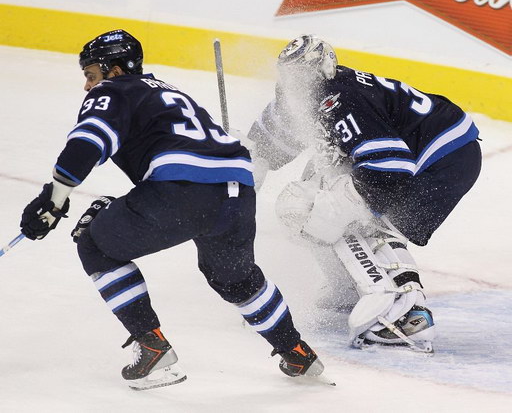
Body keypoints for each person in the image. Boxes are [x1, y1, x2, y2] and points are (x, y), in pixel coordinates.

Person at [18, 29, 325, 390]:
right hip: (238, 190)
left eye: (91, 75)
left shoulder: (114, 90)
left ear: (114, 71)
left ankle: (152, 346)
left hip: (184, 191)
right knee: (235, 278)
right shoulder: (172, 92)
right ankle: (297, 352)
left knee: (94, 242)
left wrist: (53, 201)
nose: (88, 86)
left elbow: (86, 144)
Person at [247, 35, 482, 353]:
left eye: (302, 75)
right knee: (311, 202)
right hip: (417, 156)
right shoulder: (305, 96)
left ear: (325, 69)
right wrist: (246, 165)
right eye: (290, 76)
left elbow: (387, 171)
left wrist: (349, 209)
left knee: (359, 218)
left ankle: (408, 315)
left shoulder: (340, 98)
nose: (295, 83)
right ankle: (348, 287)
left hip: (444, 158)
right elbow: (271, 137)